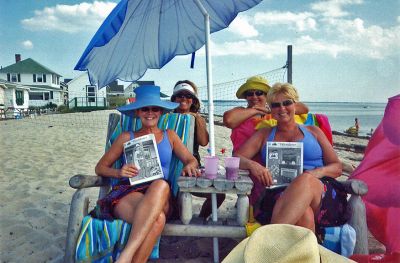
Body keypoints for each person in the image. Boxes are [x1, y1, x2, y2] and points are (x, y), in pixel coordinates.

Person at [93, 85, 200, 263]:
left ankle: (126, 254)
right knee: (157, 219)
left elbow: (191, 160)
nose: (150, 112)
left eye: (154, 108)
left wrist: (189, 165)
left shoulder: (170, 135)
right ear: (137, 112)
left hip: (160, 195)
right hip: (129, 192)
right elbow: (100, 167)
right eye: (145, 108)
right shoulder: (127, 137)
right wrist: (119, 172)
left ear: (161, 112)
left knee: (160, 184)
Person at [235, 83, 347, 238]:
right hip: (281, 193)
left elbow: (337, 166)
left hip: (320, 192)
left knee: (305, 180)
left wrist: (315, 173)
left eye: (287, 103)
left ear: (295, 105)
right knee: (303, 214)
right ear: (271, 109)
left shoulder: (314, 131)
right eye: (276, 105)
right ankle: (312, 256)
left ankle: (269, 242)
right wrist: (254, 166)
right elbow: (236, 157)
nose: (282, 108)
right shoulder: (264, 134)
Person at [171, 80, 225, 219]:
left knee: (218, 195)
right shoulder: (166, 118)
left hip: (192, 166)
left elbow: (203, 142)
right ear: (173, 99)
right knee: (175, 212)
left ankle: (201, 218)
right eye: (179, 95)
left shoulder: (196, 118)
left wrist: (197, 118)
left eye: (188, 96)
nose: (183, 98)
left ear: (193, 100)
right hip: (170, 167)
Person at [223, 76, 309, 156]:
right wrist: (257, 110)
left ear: (267, 95)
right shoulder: (240, 111)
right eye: (250, 94)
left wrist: (271, 111)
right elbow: (229, 120)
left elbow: (304, 109)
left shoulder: (276, 111)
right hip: (242, 162)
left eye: (259, 93)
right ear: (246, 97)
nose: (254, 96)